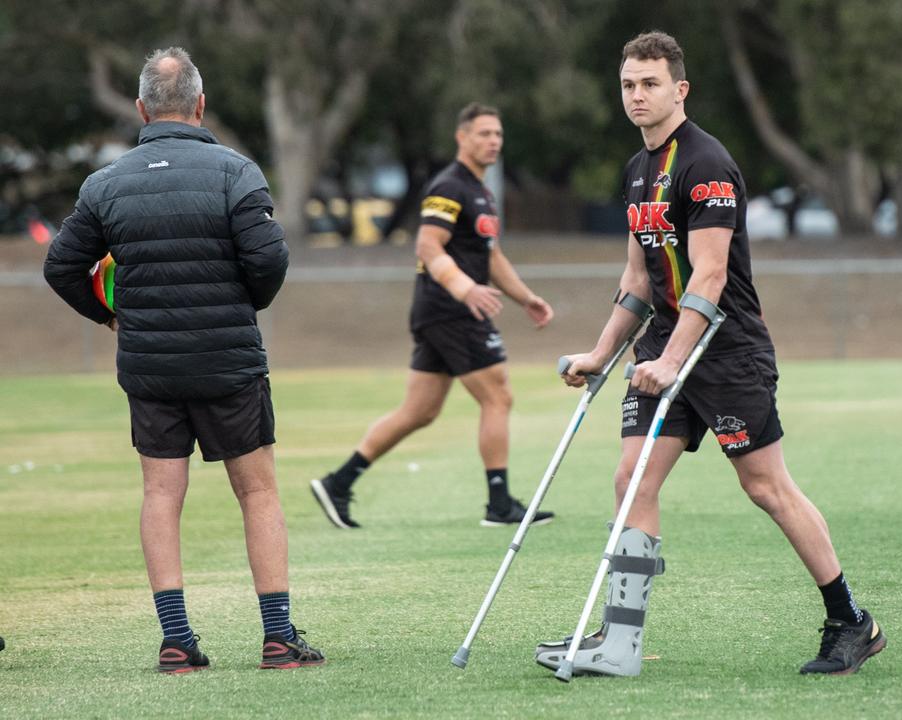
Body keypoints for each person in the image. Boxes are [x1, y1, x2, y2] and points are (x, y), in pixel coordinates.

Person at [534, 31, 883, 677]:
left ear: (680, 89)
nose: (637, 96)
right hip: (662, 348)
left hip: (725, 352)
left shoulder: (707, 165)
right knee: (630, 476)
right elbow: (639, 280)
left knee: (766, 487)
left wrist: (672, 362)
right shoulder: (637, 170)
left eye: (650, 84)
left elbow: (711, 276)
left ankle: (851, 621)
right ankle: (620, 642)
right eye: (629, 85)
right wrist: (602, 353)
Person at [43, 47, 323, 671]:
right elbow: (270, 261)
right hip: (229, 359)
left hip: (151, 366)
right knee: (257, 493)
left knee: (161, 494)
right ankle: (278, 639)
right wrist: (242, 304)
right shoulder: (236, 171)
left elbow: (62, 266)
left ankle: (177, 641)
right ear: (200, 105)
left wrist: (112, 318)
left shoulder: (105, 183)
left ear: (142, 108)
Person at [310, 103, 555, 530]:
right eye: (483, 133)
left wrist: (526, 298)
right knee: (498, 396)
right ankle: (499, 505)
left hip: (446, 312)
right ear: (462, 138)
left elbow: (491, 256)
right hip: (451, 311)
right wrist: (464, 288)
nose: (493, 141)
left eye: (498, 134)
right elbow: (427, 246)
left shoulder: (482, 192)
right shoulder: (449, 186)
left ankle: (338, 482)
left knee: (419, 411)